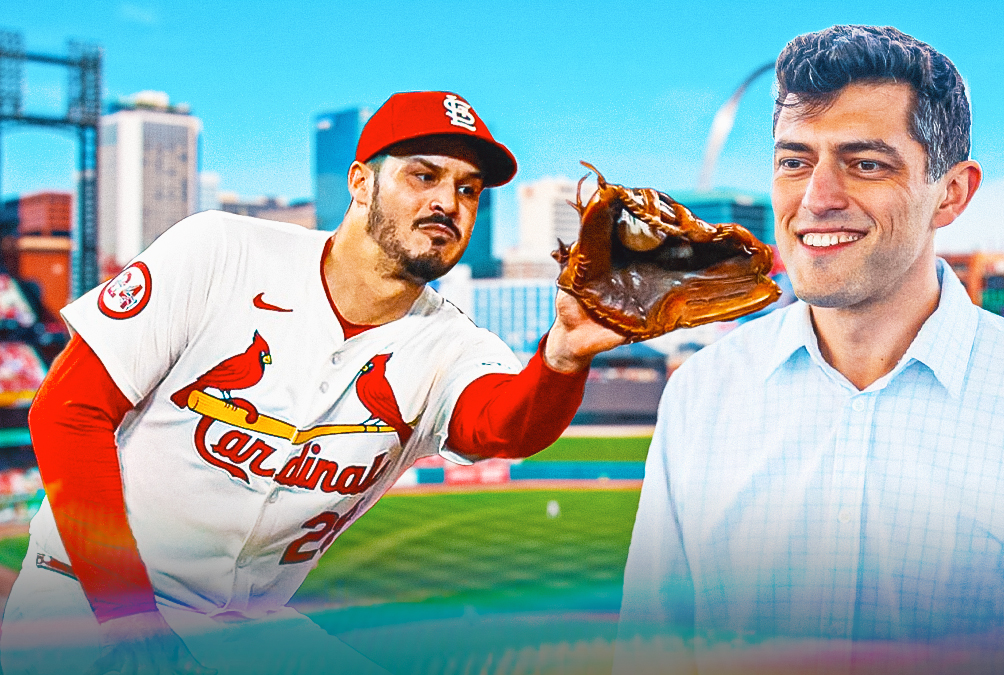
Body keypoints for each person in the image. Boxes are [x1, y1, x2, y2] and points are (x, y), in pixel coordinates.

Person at [615, 25, 1004, 675]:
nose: (818, 199)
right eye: (795, 161)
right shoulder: (701, 396)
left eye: (866, 163)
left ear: (952, 193)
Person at [1, 91, 626, 675]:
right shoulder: (219, 250)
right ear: (360, 182)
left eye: (469, 189)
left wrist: (564, 356)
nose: (449, 203)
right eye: (424, 175)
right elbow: (66, 410)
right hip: (86, 593)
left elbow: (501, 425)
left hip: (243, 621)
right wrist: (128, 616)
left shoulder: (456, 345)